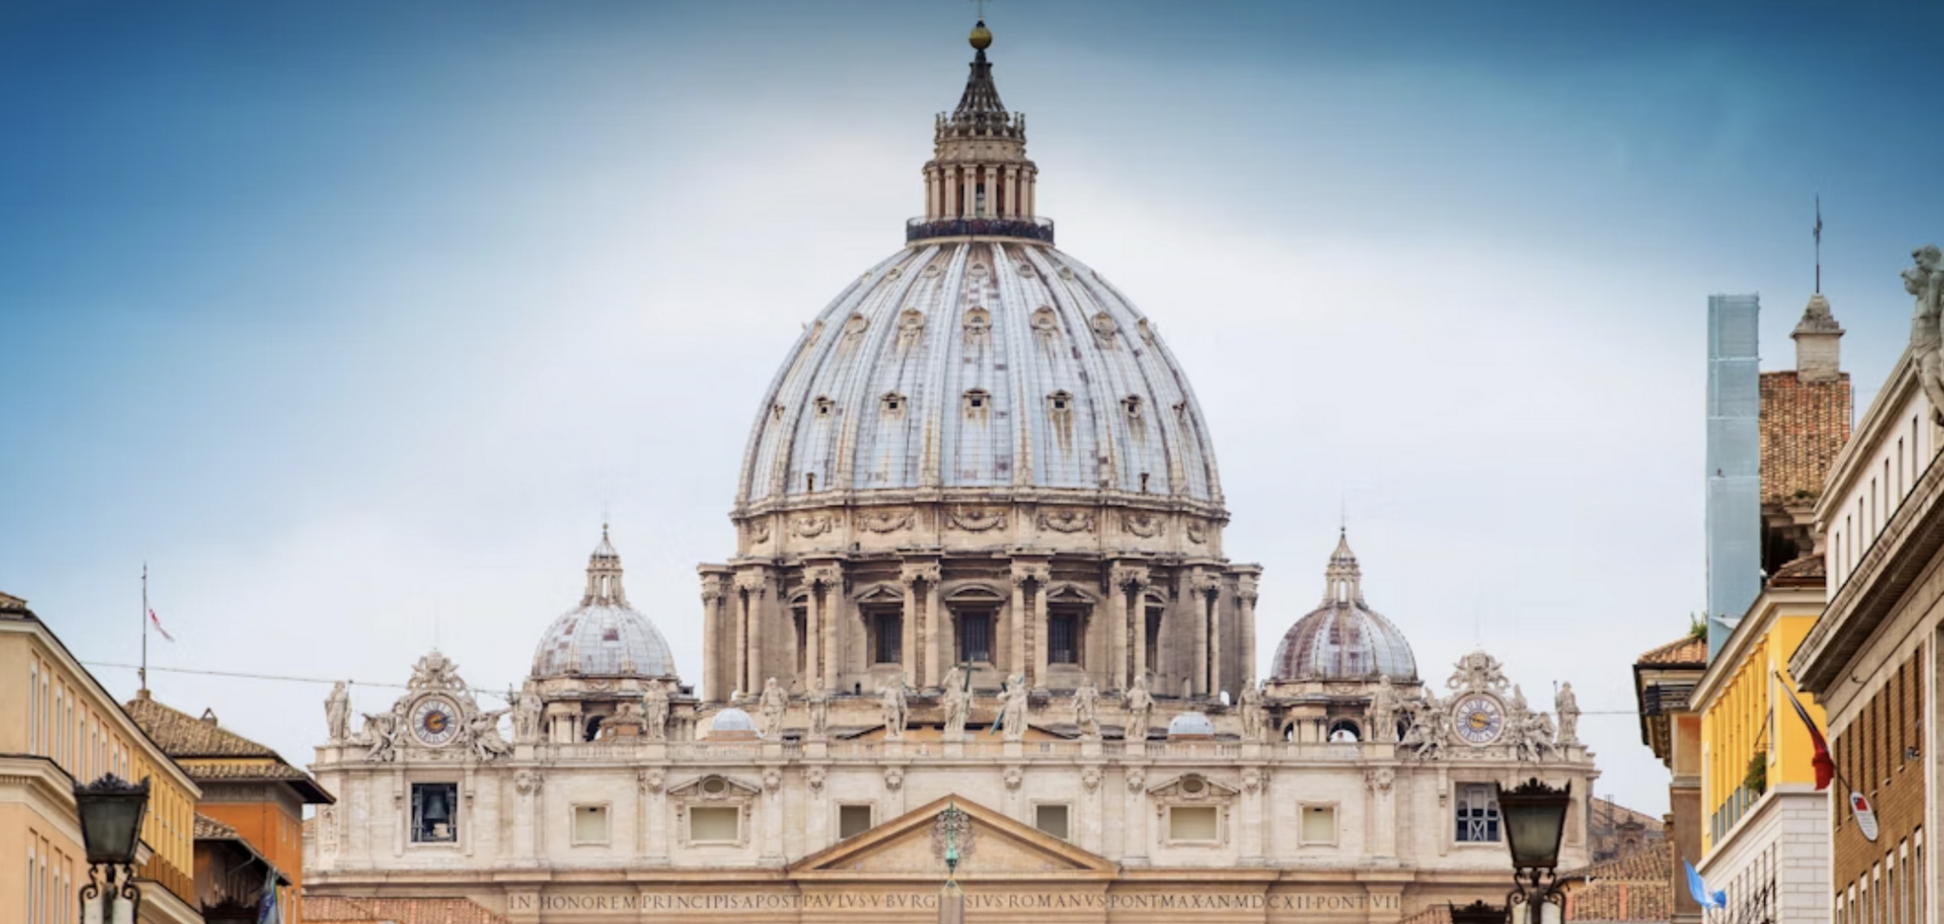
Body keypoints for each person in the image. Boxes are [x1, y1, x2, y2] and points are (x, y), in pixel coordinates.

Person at [1124, 674, 1154, 743]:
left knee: (1140, 725)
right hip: (1134, 710)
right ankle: (1131, 735)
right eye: (1136, 682)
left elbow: (1149, 700)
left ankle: (1138, 736)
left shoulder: (1144, 691)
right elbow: (1127, 697)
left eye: (1138, 682)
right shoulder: (1133, 691)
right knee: (1132, 723)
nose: (1137, 683)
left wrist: (1144, 705)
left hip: (1141, 711)